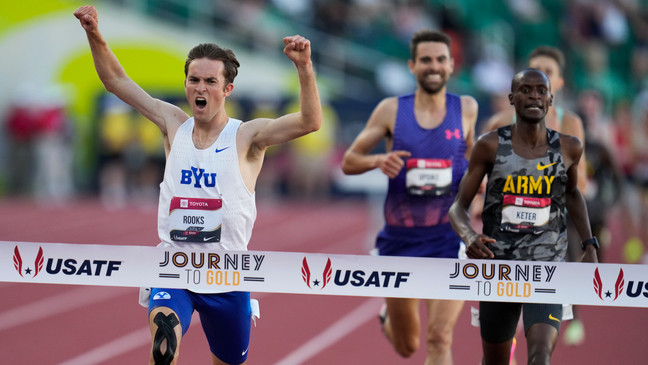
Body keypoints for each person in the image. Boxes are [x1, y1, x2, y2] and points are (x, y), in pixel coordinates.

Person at [74, 5, 322, 365]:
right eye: (194, 80)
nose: (200, 87)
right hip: (174, 267)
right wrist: (94, 33)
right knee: (164, 347)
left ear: (227, 89)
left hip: (228, 275)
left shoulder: (248, 135)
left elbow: (310, 121)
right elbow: (116, 81)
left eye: (210, 81)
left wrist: (304, 67)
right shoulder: (173, 123)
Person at [341, 29, 478, 363]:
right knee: (407, 346)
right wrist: (377, 159)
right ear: (413, 66)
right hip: (400, 242)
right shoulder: (391, 110)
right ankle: (389, 317)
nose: (434, 66)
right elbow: (349, 161)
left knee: (439, 336)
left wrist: (480, 184)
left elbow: (475, 159)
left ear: (451, 66)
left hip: (449, 239)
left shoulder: (467, 109)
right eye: (426, 60)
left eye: (440, 60)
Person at [449, 68, 599, 365]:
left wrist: (589, 243)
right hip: (500, 268)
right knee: (496, 361)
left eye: (540, 91)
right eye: (525, 90)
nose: (533, 96)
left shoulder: (569, 148)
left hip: (547, 267)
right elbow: (458, 208)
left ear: (550, 99)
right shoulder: (490, 144)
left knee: (540, 356)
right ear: (511, 98)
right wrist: (469, 236)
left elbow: (572, 194)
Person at [482, 46, 588, 347]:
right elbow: (480, 173)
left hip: (553, 227)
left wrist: (588, 239)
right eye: (527, 83)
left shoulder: (570, 125)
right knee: (501, 337)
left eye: (546, 78)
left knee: (541, 330)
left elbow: (579, 178)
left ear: (557, 85)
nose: (534, 93)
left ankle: (571, 316)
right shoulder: (498, 124)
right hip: (505, 236)